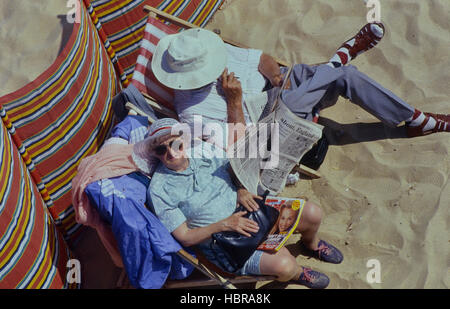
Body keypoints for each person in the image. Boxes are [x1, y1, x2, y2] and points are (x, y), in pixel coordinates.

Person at [150, 22, 449, 150]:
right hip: (269, 124)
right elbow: (238, 146)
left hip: (281, 86)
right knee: (340, 74)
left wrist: (277, 76)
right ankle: (417, 119)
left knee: (335, 76)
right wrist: (234, 101)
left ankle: (411, 118)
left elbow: (261, 58)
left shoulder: (210, 49)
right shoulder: (191, 112)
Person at [140, 118, 344, 289]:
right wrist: (224, 224)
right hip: (224, 241)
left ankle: (310, 244)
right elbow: (184, 237)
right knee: (286, 266)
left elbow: (235, 170)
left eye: (174, 143)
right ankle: (298, 272)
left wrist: (241, 188)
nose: (170, 152)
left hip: (251, 210)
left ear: (183, 139)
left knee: (313, 213)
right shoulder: (159, 189)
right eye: (160, 148)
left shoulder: (204, 150)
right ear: (154, 153)